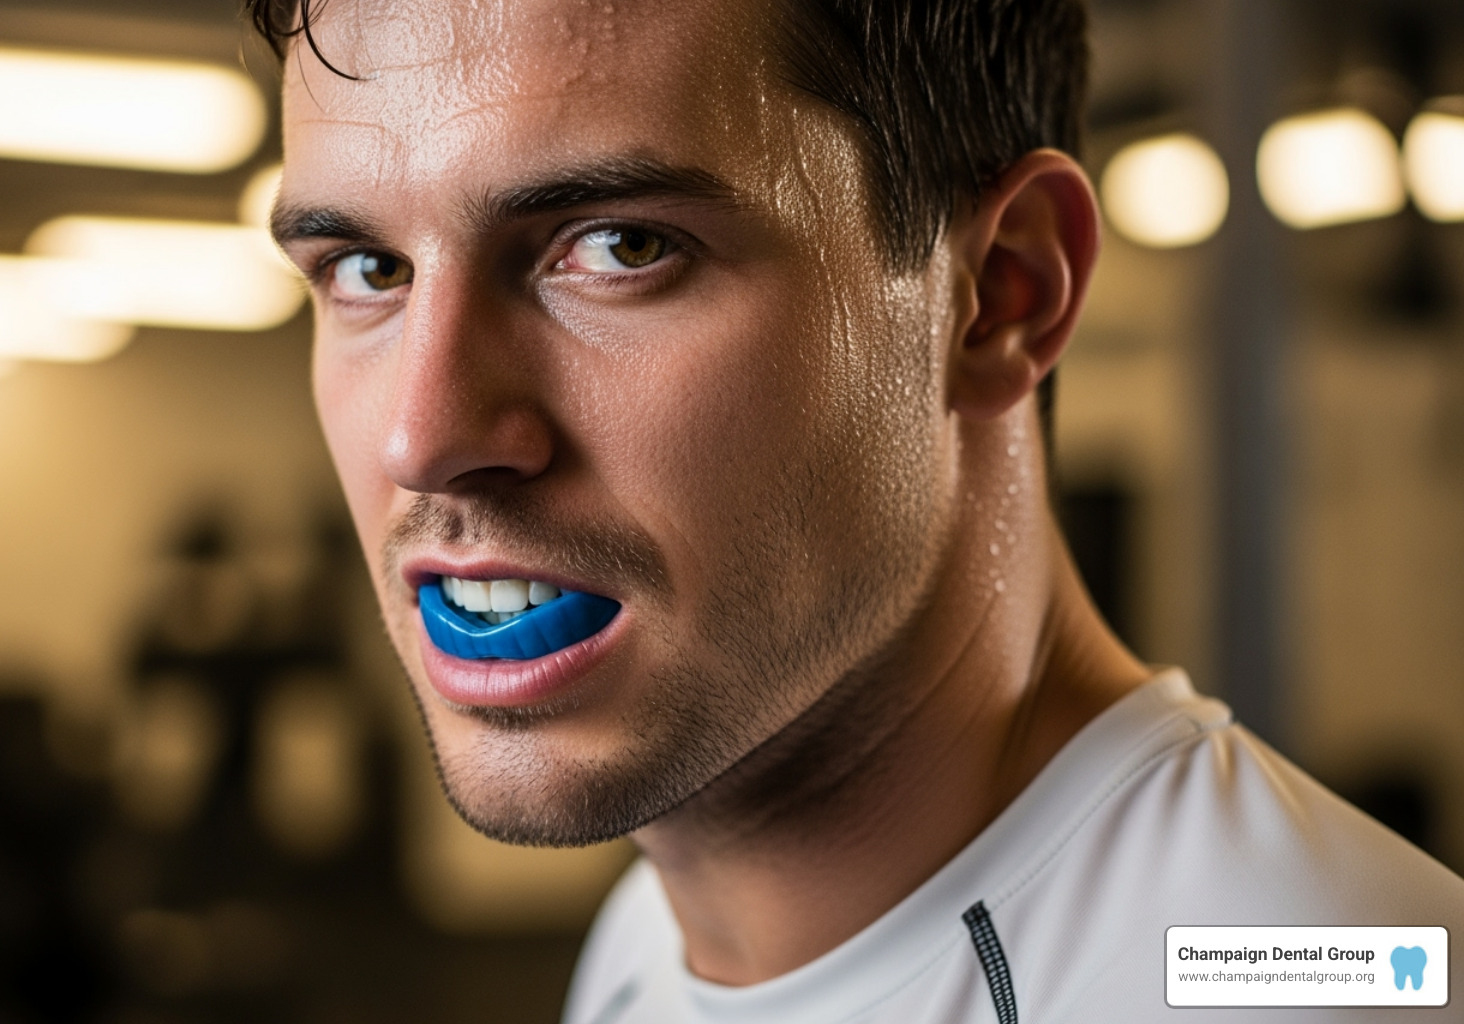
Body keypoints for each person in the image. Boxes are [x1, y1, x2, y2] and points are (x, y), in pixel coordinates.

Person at [247, 0, 1464, 1019]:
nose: (423, 437)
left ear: (1001, 294)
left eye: (619, 246)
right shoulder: (647, 945)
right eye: (368, 269)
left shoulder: (1315, 977)